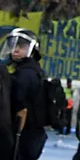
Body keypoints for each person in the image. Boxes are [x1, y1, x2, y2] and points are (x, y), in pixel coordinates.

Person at [0, 29, 47, 160]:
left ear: (32, 50)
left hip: (24, 135)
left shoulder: (27, 74)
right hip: (29, 135)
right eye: (13, 45)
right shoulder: (28, 70)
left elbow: (20, 107)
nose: (15, 50)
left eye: (21, 46)